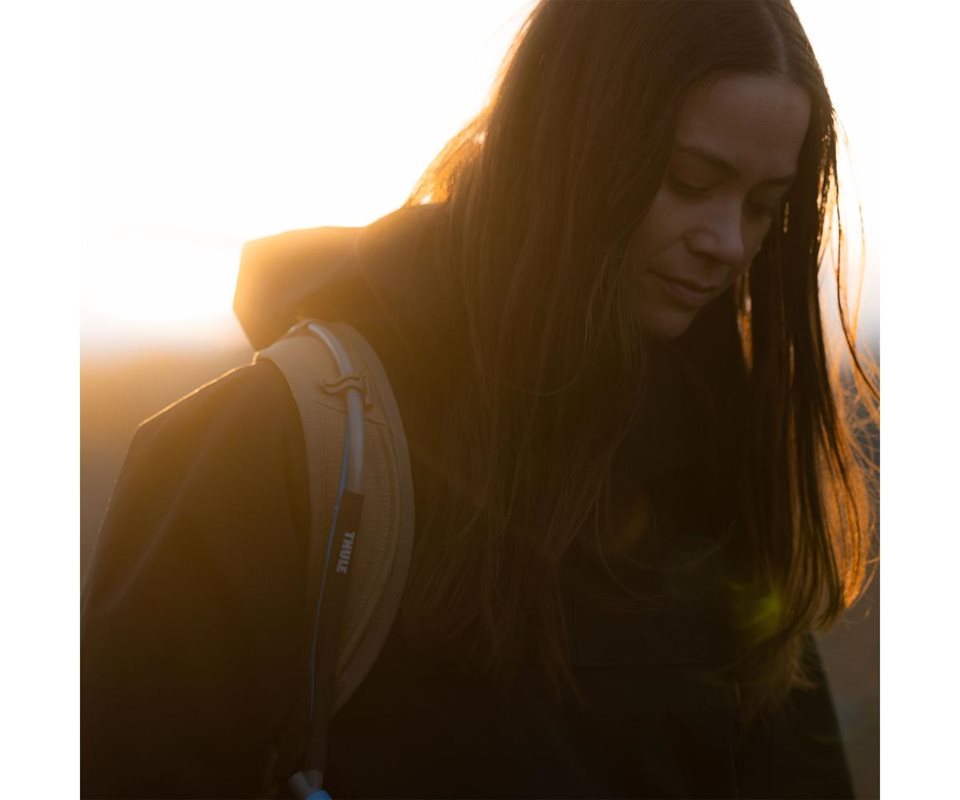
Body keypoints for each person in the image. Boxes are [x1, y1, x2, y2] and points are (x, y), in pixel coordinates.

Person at [81, 1, 878, 798]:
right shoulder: (272, 450)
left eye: (762, 205)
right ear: (568, 151)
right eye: (691, 182)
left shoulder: (719, 472)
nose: (728, 242)